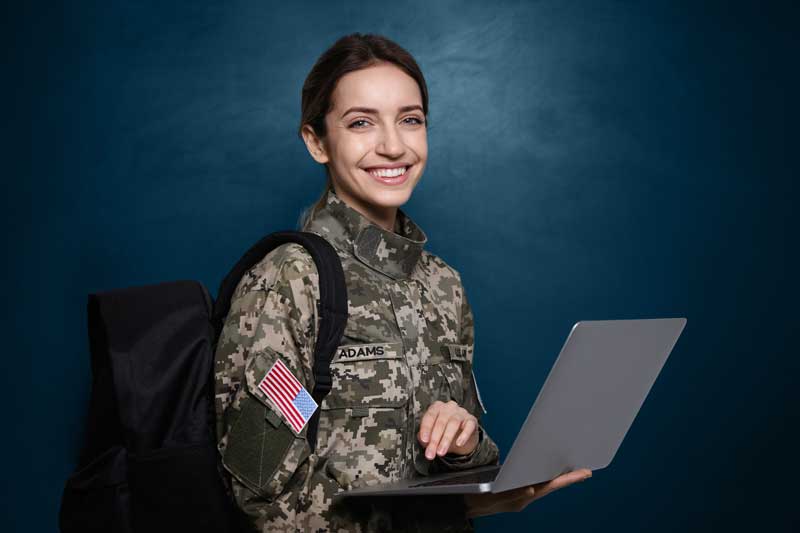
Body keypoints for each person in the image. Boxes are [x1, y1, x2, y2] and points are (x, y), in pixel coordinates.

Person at [213, 32, 592, 532]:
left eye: (410, 120)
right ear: (316, 142)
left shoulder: (442, 285)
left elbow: (461, 468)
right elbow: (264, 498)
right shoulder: (292, 280)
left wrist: (465, 447)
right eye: (361, 123)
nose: (393, 146)